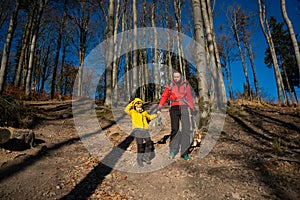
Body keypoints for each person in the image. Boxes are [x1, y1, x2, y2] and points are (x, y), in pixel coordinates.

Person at [157, 71, 196, 161]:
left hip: (184, 108)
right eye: (175, 77)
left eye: (178, 77)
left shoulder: (186, 85)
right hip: (174, 108)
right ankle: (173, 150)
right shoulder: (170, 85)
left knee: (186, 129)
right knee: (175, 129)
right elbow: (164, 96)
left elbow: (189, 97)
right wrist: (160, 107)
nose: (176, 78)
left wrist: (192, 108)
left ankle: (184, 152)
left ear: (180, 77)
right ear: (173, 77)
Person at [125, 97, 157, 167]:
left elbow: (149, 117)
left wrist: (156, 115)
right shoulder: (132, 112)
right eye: (137, 107)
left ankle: (146, 157)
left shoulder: (144, 112)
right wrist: (132, 103)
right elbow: (126, 110)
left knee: (149, 143)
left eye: (140, 107)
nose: (139, 108)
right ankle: (139, 159)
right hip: (137, 130)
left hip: (145, 130)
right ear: (135, 107)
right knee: (140, 145)